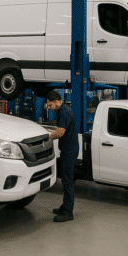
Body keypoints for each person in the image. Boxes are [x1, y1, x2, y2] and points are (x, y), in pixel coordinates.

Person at [46, 90, 79, 222]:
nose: (49, 108)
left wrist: (47, 138)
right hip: (69, 149)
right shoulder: (64, 109)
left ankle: (68, 212)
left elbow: (60, 133)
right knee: (66, 179)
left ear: (56, 102)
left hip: (69, 151)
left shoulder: (63, 112)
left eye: (50, 106)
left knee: (67, 180)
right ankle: (65, 205)